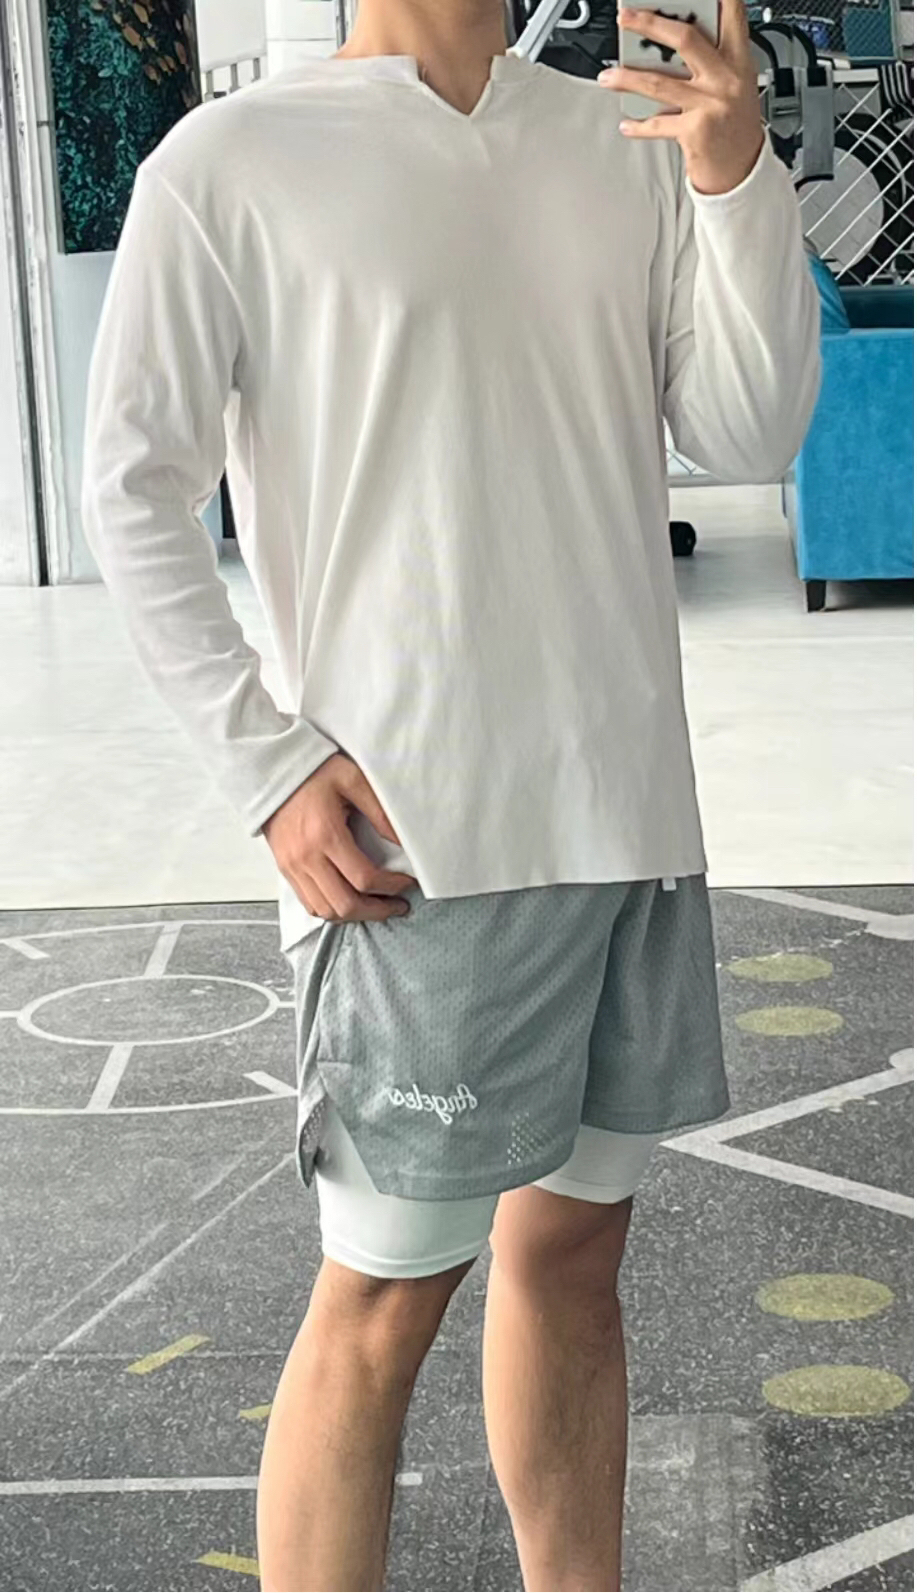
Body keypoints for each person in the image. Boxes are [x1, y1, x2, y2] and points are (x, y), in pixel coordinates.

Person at [80, 0, 821, 1581]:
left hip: (625, 808)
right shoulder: (228, 162)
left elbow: (747, 428)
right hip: (417, 841)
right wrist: (267, 761)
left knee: (574, 1256)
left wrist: (733, 175)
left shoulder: (619, 139)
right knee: (380, 1303)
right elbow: (129, 490)